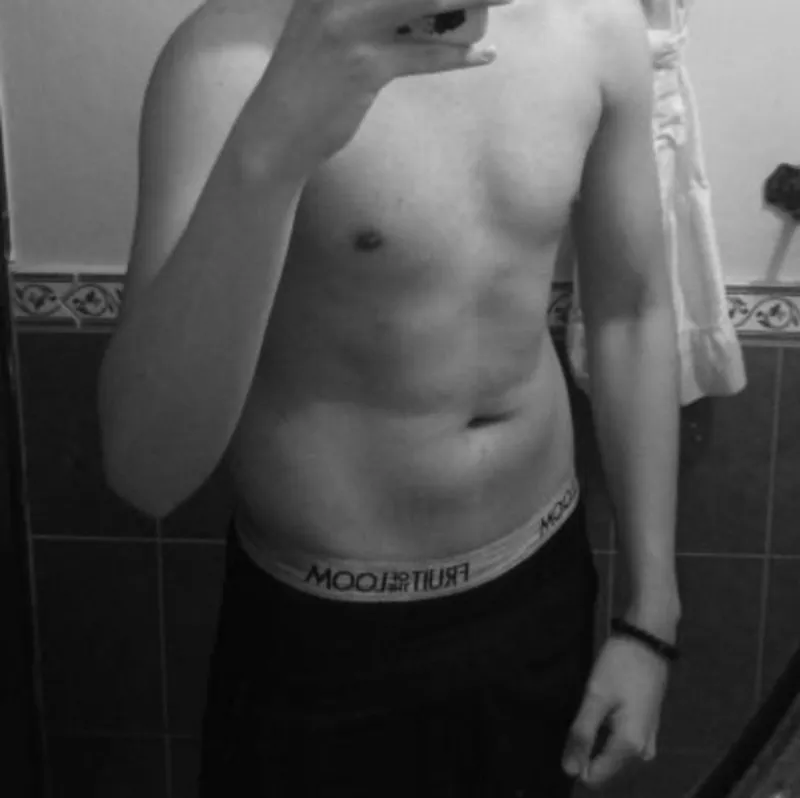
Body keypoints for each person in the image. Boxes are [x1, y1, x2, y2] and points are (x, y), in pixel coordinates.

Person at [97, 0, 683, 794]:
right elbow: (146, 472)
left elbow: (630, 314)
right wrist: (271, 148)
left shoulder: (595, 24)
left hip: (542, 592)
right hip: (325, 640)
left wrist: (651, 619)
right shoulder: (229, 61)